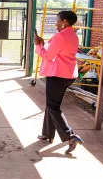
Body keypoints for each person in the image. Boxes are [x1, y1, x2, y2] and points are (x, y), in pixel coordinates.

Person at [34, 10, 84, 154]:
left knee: (52, 106)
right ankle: (48, 133)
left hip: (57, 75)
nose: (56, 23)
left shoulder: (60, 36)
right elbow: (58, 52)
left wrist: (38, 46)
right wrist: (44, 44)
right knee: (52, 104)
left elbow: (49, 56)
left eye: (57, 20)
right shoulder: (74, 36)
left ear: (64, 22)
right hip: (68, 74)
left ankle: (70, 136)